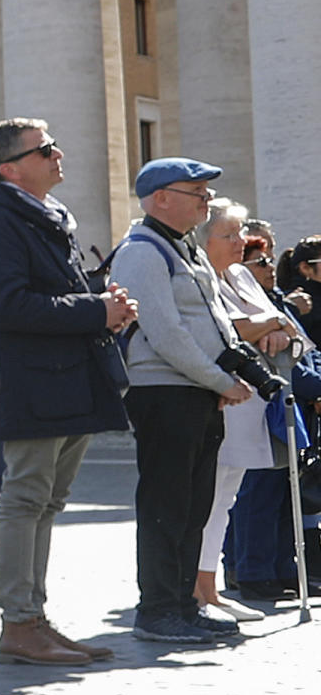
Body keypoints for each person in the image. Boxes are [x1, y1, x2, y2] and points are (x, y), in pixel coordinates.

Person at [0, 117, 136, 664]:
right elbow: (3, 305)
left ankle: (34, 616)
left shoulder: (39, 217)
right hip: (28, 383)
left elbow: (46, 294)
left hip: (63, 380)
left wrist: (104, 303)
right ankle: (19, 622)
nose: (58, 154)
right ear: (10, 169)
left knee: (47, 500)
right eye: (44, 149)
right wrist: (95, 310)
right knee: (26, 497)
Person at [110, 159, 259, 644]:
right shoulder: (142, 250)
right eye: (195, 192)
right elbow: (166, 332)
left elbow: (213, 321)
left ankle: (184, 603)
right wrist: (218, 380)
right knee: (166, 505)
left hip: (193, 391)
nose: (206, 200)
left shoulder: (185, 249)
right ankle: (157, 610)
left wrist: (223, 375)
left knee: (195, 505)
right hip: (163, 392)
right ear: (161, 198)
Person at [196, 199, 303, 617]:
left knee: (226, 497)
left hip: (254, 402)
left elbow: (287, 326)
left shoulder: (240, 274)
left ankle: (212, 591)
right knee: (207, 498)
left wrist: (274, 326)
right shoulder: (200, 275)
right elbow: (232, 330)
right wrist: (271, 325)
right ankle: (198, 591)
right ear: (204, 241)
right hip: (221, 397)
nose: (242, 242)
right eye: (230, 235)